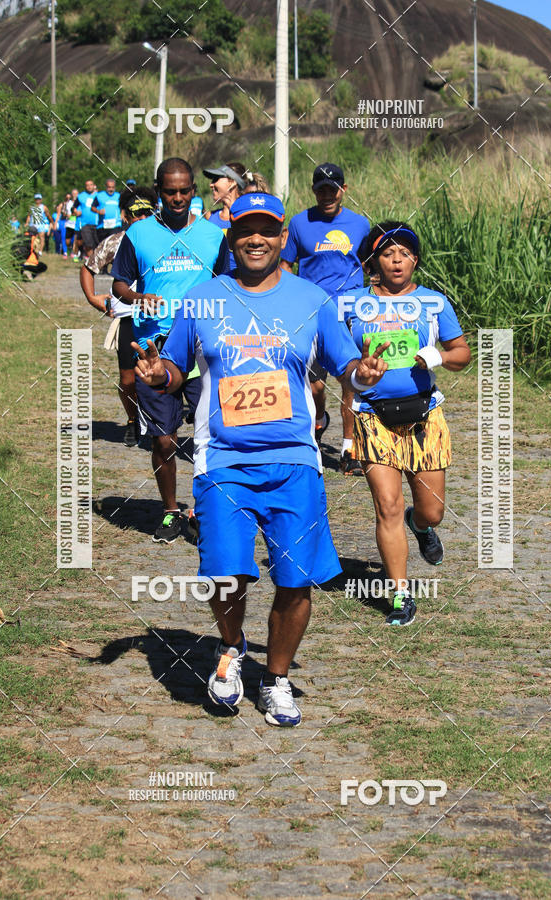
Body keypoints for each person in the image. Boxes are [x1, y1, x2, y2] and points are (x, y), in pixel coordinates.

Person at [132, 192, 389, 726]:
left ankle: (275, 679)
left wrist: (363, 374)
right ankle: (230, 650)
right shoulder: (203, 298)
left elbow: (347, 365)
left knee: (295, 580)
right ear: (232, 236)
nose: (256, 239)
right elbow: (176, 367)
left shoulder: (311, 299)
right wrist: (161, 375)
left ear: (281, 239)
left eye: (267, 230)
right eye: (246, 229)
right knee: (226, 574)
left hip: (294, 459)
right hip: (222, 460)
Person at [348, 222, 471, 625]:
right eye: (387, 253)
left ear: (415, 259)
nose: (396, 260)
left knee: (431, 511)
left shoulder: (434, 302)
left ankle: (420, 529)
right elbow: (339, 361)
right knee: (387, 506)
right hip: (373, 416)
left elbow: (461, 353)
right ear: (374, 261)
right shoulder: (351, 305)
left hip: (423, 415)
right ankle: (401, 597)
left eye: (404, 253)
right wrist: (357, 375)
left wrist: (438, 357)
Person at [111, 158, 230, 543]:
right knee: (164, 438)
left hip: (201, 349)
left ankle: (203, 509)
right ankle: (169, 511)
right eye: (169, 191)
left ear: (193, 191)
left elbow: (228, 285)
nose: (177, 198)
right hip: (153, 351)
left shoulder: (214, 236)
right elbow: (118, 284)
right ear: (158, 191)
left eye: (184, 191)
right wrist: (136, 295)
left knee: (209, 435)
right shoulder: (140, 234)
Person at [280, 163, 370, 476]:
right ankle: (319, 420)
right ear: (314, 190)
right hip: (312, 315)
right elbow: (286, 265)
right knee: (315, 386)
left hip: (349, 315)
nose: (327, 195)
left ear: (344, 190)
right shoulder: (299, 223)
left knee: (351, 382)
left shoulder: (360, 225)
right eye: (321, 189)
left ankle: (349, 449)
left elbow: (369, 265)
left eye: (333, 189)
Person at [80, 186, 158, 447]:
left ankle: (160, 423)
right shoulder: (115, 241)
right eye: (137, 213)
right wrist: (93, 298)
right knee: (128, 379)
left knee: (163, 372)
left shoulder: (167, 239)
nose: (143, 217)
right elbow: (89, 267)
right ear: (125, 215)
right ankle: (133, 419)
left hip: (161, 318)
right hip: (128, 318)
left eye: (149, 211)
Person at [202, 162, 253, 268]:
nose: (211, 185)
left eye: (216, 179)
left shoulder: (249, 216)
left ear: (232, 183)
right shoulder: (210, 217)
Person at [92, 178, 122, 246]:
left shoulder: (118, 196)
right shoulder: (99, 195)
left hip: (116, 225)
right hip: (102, 226)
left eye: (113, 187)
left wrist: (123, 214)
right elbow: (92, 207)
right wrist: (98, 211)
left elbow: (123, 207)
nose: (111, 189)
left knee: (113, 245)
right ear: (106, 187)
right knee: (103, 246)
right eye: (109, 187)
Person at [73, 179, 99, 256]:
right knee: (88, 244)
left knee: (97, 244)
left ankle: (95, 262)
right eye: (87, 185)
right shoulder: (81, 196)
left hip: (97, 223)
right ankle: (91, 262)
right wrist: (75, 211)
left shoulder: (98, 195)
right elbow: (73, 207)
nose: (89, 187)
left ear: (94, 185)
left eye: (91, 185)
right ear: (85, 186)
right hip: (85, 223)